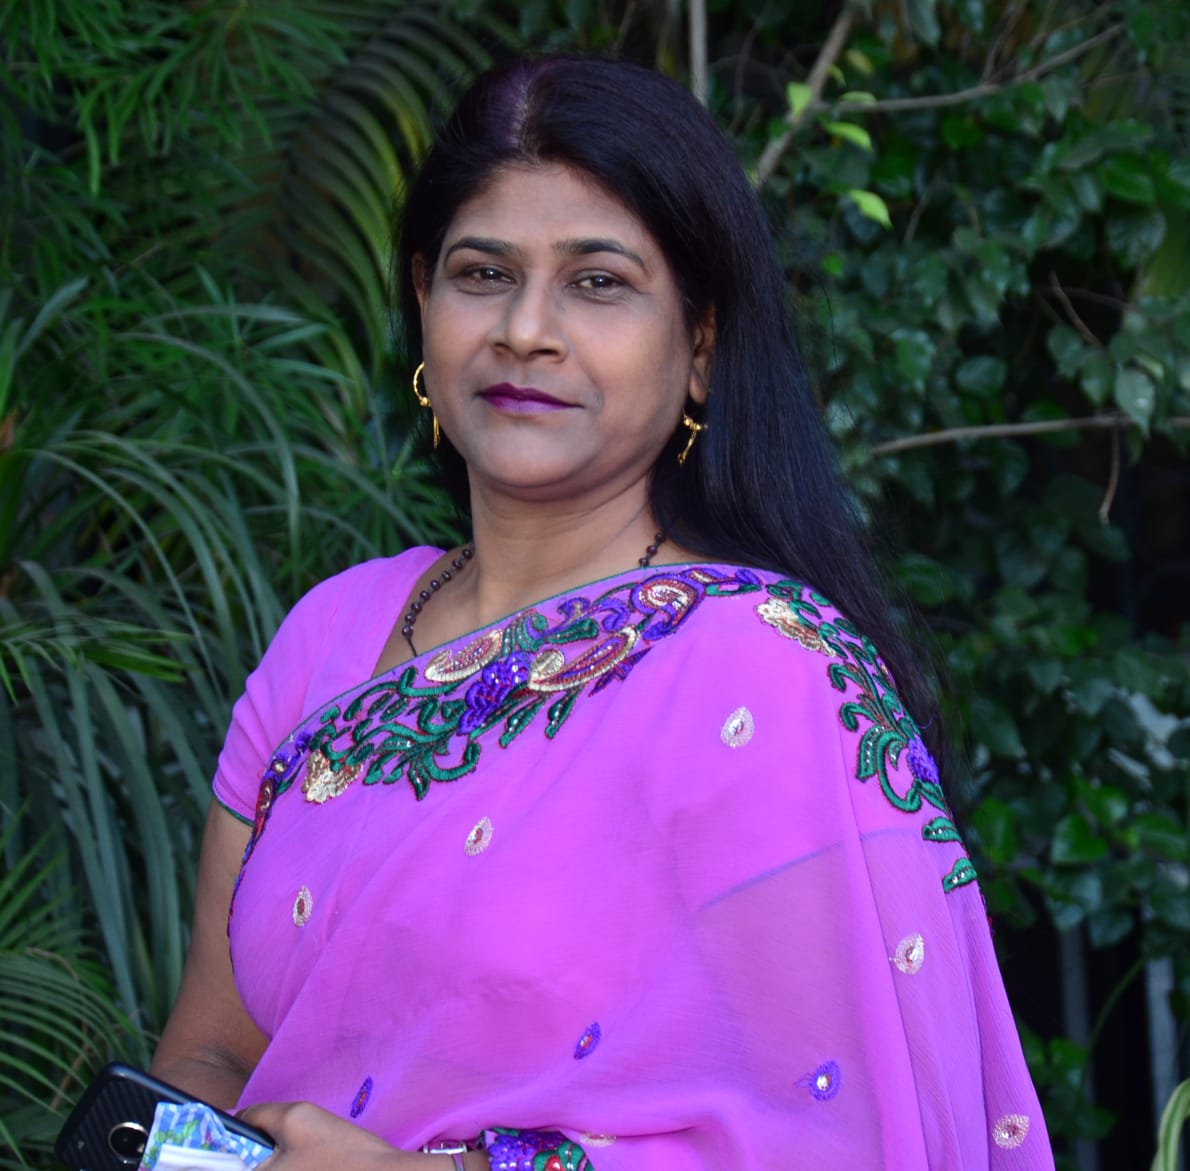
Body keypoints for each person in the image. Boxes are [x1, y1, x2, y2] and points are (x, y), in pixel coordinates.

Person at [151, 54, 1054, 1170]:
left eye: (597, 282)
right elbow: (209, 1055)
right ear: (423, 303)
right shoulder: (329, 639)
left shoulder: (767, 674)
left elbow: (836, 1130)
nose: (525, 328)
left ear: (701, 348)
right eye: (483, 273)